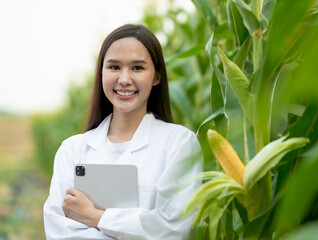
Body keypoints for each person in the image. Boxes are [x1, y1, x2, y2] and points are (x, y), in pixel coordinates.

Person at [43, 24, 203, 240]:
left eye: (137, 68)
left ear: (156, 76)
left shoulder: (180, 144)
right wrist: (136, 227)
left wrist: (96, 217)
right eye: (114, 67)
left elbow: (173, 229)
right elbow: (60, 231)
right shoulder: (72, 150)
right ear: (101, 73)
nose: (124, 79)